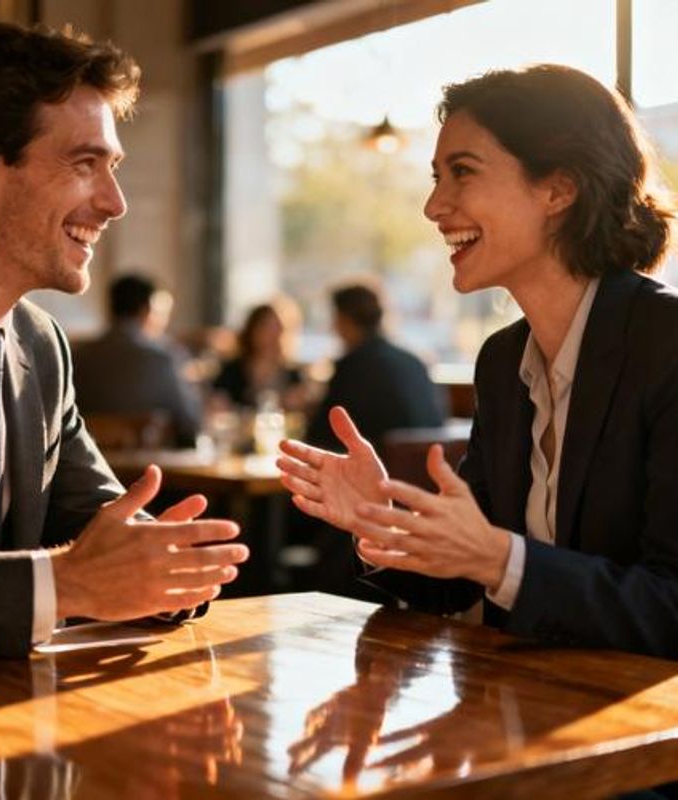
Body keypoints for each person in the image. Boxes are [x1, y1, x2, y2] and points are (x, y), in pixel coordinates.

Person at [278, 64, 678, 659]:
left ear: (558, 189)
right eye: (436, 177)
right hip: (530, 709)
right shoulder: (502, 360)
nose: (434, 206)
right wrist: (380, 522)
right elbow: (460, 579)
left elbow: (670, 607)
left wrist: (500, 558)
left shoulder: (665, 341)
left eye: (461, 173)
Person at [0, 23, 248, 658]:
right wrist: (64, 584)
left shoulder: (40, 346)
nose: (115, 203)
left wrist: (165, 572)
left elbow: (102, 526)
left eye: (114, 169)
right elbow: (76, 574)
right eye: (85, 165)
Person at [306, 280, 444, 453]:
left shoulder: (353, 367)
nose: (332, 327)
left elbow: (320, 436)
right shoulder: (414, 362)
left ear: (344, 319)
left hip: (379, 472)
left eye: (335, 318)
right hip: (426, 471)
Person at [73, 274, 201, 447]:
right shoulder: (163, 358)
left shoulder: (77, 356)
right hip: (154, 468)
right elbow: (190, 424)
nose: (164, 322)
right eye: (162, 314)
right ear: (146, 310)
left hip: (84, 465)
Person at [211, 298, 307, 411]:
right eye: (266, 328)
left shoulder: (293, 375)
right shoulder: (231, 371)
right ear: (252, 330)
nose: (271, 336)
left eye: (277, 329)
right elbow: (216, 403)